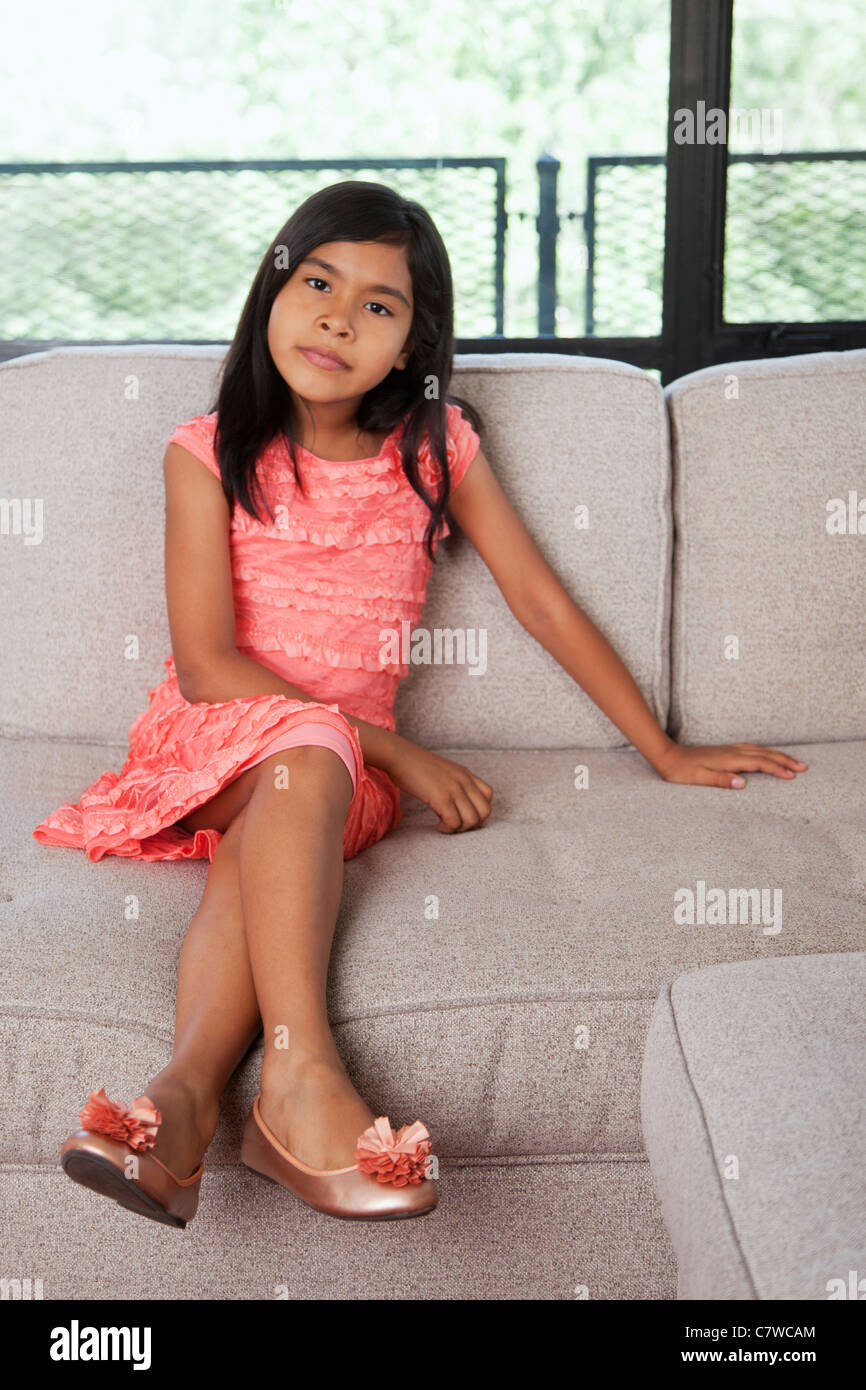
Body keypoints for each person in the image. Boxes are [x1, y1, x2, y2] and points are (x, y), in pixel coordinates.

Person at [35, 179, 808, 1228]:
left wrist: (660, 748)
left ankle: (176, 1109)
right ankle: (302, 1079)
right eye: (316, 282)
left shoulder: (433, 447)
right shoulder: (204, 452)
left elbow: (539, 600)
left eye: (378, 305)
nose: (338, 317)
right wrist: (395, 751)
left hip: (324, 784)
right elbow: (210, 666)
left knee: (293, 784)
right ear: (270, 291)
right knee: (298, 751)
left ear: (409, 346)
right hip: (210, 744)